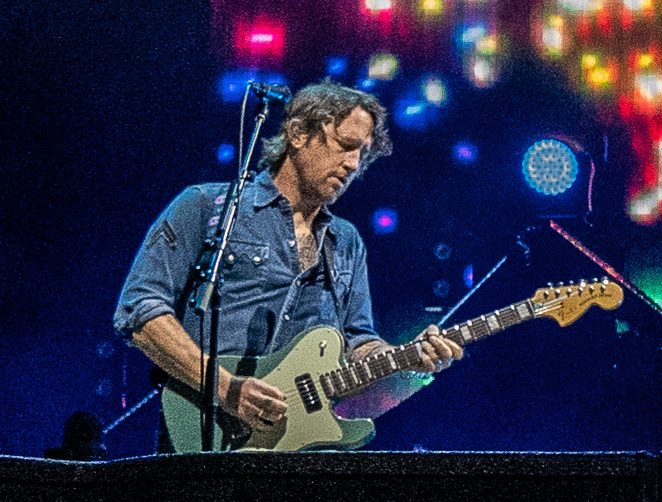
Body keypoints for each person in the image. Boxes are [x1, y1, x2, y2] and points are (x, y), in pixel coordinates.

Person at [113, 83, 460, 448]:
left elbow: (357, 342)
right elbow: (140, 311)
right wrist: (226, 388)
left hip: (304, 447)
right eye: (345, 145)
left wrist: (405, 357)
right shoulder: (208, 206)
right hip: (209, 434)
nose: (354, 164)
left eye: (362, 154)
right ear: (297, 133)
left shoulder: (346, 242)